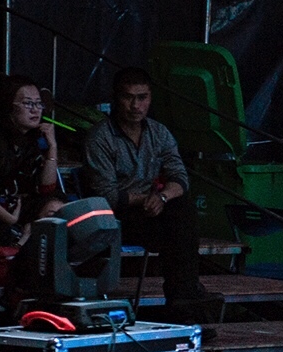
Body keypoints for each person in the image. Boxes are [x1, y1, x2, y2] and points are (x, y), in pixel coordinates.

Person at [83, 67, 210, 311]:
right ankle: (185, 299)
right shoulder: (100, 137)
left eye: (142, 98)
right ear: (116, 98)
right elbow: (106, 196)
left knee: (181, 211)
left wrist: (161, 196)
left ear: (150, 98)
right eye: (128, 97)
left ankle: (183, 299)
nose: (135, 105)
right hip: (115, 215)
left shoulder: (159, 132)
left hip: (150, 210)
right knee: (178, 230)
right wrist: (148, 199)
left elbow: (180, 178)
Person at [0, 75, 61, 247]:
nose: (36, 110)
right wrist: (10, 218)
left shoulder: (30, 140)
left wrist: (52, 148)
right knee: (6, 232)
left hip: (14, 206)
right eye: (28, 103)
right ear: (10, 106)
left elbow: (46, 188)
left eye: (38, 103)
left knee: (56, 205)